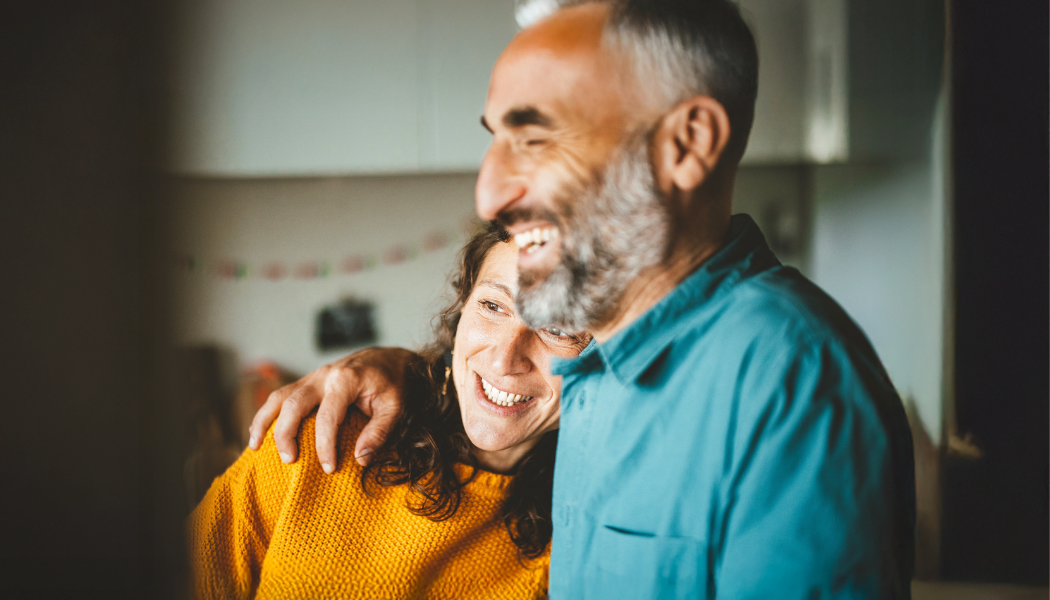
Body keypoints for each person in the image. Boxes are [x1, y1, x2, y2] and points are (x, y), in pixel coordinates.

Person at [250, 1, 916, 597]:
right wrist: (406, 369)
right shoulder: (601, 353)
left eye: (536, 140)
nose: (491, 195)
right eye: (496, 141)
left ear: (687, 144)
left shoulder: (791, 383)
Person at [189, 224, 590, 598]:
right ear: (462, 308)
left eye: (558, 329)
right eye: (492, 305)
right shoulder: (320, 438)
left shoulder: (588, 534)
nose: (505, 358)